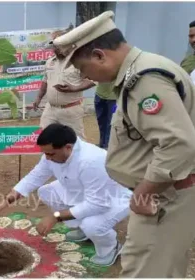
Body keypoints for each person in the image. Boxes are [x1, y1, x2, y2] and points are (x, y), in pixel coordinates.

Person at [52, 11, 195, 278]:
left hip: (165, 197)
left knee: (144, 271)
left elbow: (178, 144)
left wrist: (144, 191)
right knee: (164, 268)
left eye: (84, 69)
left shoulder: (144, 79)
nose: (90, 78)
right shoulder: (139, 72)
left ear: (99, 55)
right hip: (165, 193)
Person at [0, 123, 131, 266]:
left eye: (50, 154)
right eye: (45, 153)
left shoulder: (92, 161)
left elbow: (97, 204)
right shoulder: (53, 153)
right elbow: (35, 176)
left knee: (92, 225)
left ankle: (110, 248)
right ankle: (82, 230)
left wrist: (55, 217)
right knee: (46, 191)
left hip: (115, 198)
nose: (47, 158)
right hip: (85, 191)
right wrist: (7, 200)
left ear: (68, 147)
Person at [32, 29, 95, 139]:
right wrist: (38, 98)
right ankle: (49, 157)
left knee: (76, 141)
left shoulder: (79, 61)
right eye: (55, 45)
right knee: (44, 138)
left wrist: (75, 88)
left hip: (71, 110)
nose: (56, 48)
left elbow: (93, 80)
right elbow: (45, 81)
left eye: (59, 45)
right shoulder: (50, 62)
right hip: (50, 109)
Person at [94, 82, 116, 149]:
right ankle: (102, 144)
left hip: (114, 98)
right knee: (101, 121)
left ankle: (107, 146)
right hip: (99, 95)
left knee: (111, 123)